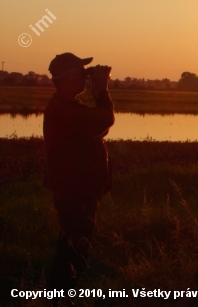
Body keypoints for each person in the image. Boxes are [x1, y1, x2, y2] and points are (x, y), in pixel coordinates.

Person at [43, 53, 114, 300]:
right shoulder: (63, 108)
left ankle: (61, 295)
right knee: (75, 248)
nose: (85, 78)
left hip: (75, 188)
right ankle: (64, 296)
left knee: (71, 246)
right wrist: (102, 91)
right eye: (81, 73)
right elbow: (105, 119)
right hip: (76, 190)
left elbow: (98, 128)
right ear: (68, 77)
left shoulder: (65, 106)